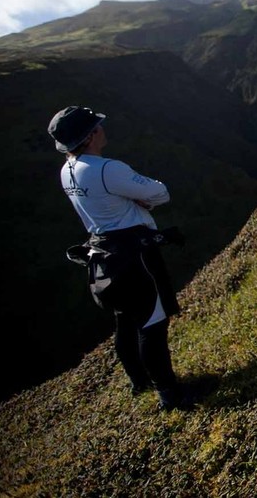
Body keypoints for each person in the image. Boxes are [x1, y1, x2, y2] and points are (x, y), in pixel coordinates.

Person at [49, 106, 195, 411]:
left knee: (125, 321)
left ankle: (138, 381)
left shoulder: (67, 171)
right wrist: (138, 199)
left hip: (103, 258)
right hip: (135, 256)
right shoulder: (107, 169)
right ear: (90, 136)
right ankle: (170, 395)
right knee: (152, 324)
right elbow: (160, 193)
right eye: (97, 126)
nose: (102, 128)